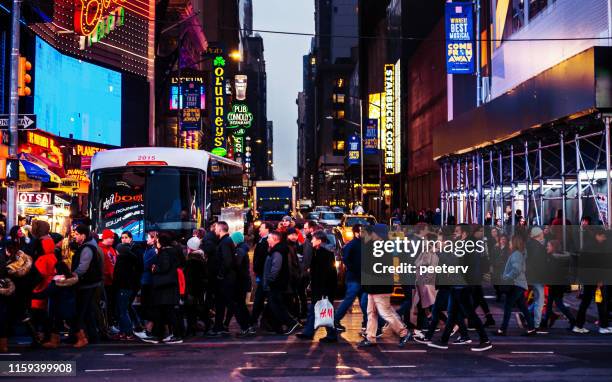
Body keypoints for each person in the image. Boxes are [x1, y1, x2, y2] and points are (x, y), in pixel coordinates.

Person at [359, 224, 411, 348]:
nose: (372, 234)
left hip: (380, 285)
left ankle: (404, 332)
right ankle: (370, 337)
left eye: (374, 232)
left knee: (385, 312)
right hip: (373, 285)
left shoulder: (383, 247)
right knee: (371, 312)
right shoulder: (376, 245)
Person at [296, 231, 338, 342]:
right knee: (316, 310)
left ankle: (331, 335)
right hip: (321, 288)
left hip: (322, 289)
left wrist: (325, 290)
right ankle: (309, 332)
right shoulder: (319, 252)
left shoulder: (324, 253)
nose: (311, 241)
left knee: (324, 310)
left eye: (313, 239)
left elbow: (327, 274)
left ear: (319, 241)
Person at [71, 224, 104, 348]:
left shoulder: (87, 248)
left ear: (83, 235)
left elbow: (83, 267)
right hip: (91, 283)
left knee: (81, 312)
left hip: (86, 284)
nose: (75, 237)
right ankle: (93, 336)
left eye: (77, 234)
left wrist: (73, 275)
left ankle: (82, 338)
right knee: (88, 311)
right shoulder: (90, 246)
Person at [574, 227, 611, 334]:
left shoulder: (590, 245)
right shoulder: (594, 247)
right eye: (603, 236)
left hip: (588, 278)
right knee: (596, 301)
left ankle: (581, 325)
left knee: (592, 301)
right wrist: (599, 280)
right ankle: (601, 326)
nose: (604, 238)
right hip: (592, 279)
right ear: (597, 236)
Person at [496, 234, 535, 336]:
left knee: (508, 306)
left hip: (516, 284)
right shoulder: (518, 254)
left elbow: (516, 270)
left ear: (514, 243)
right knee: (523, 307)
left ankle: (503, 329)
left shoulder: (516, 254)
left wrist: (506, 277)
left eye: (510, 242)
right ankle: (531, 328)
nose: (509, 243)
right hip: (519, 284)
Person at [263, 231, 301, 335]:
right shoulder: (277, 250)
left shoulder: (277, 252)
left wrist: (270, 280)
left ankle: (291, 322)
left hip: (276, 284)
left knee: (276, 306)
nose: (267, 239)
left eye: (269, 238)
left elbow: (275, 268)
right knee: (274, 306)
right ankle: (277, 327)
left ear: (275, 239)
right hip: (277, 283)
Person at [148, 231, 182, 344]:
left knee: (168, 312)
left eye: (157, 241)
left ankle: (175, 335)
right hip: (170, 286)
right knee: (168, 311)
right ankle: (168, 334)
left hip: (165, 287)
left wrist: (155, 268)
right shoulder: (173, 251)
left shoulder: (165, 253)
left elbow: (165, 267)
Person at [334, 224, 367, 332]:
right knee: (349, 301)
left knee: (364, 302)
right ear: (357, 233)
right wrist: (355, 269)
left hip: (361, 278)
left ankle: (367, 322)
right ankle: (335, 320)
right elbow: (346, 259)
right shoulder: (352, 245)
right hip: (354, 279)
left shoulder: (363, 244)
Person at [541, 239, 575, 329]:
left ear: (553, 247)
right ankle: (545, 321)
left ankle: (572, 320)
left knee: (558, 303)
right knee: (551, 303)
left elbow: (552, 272)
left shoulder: (553, 258)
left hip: (556, 284)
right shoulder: (562, 257)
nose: (546, 247)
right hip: (559, 283)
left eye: (548, 246)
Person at [112, 243, 142, 340]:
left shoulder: (122, 260)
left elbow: (118, 275)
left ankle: (128, 332)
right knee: (122, 310)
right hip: (128, 287)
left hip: (123, 287)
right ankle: (123, 332)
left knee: (123, 311)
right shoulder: (130, 259)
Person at [212, 221, 237, 335]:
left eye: (216, 228)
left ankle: (245, 325)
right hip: (225, 278)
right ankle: (218, 327)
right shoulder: (225, 241)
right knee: (221, 303)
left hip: (225, 279)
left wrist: (220, 275)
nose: (214, 230)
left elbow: (227, 261)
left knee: (227, 303)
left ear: (221, 229)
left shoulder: (225, 242)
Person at [250, 222, 274, 330]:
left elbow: (263, 259)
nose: (259, 229)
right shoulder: (261, 240)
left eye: (262, 227)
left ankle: (257, 320)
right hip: (261, 274)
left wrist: (258, 270)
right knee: (261, 298)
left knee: (262, 298)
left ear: (267, 230)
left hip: (265, 275)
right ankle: (260, 321)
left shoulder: (267, 241)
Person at [135, 232, 158, 340]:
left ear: (154, 239)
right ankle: (148, 329)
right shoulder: (149, 250)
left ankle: (148, 330)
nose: (146, 239)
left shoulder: (152, 251)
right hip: (146, 280)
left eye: (148, 238)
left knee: (147, 305)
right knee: (147, 305)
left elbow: (144, 265)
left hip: (148, 281)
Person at [183, 236, 208, 337]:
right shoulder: (201, 258)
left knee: (191, 310)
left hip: (191, 289)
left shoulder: (191, 261)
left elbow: (189, 277)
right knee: (199, 308)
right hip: (200, 288)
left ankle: (191, 328)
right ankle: (205, 325)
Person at [230, 231, 253, 337]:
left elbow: (236, 266)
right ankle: (249, 326)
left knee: (238, 306)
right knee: (241, 305)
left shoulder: (239, 251)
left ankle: (245, 327)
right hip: (243, 281)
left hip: (240, 282)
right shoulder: (242, 249)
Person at [526, 227, 549, 332]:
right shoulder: (538, 247)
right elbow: (539, 264)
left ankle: (527, 314)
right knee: (539, 301)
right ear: (539, 235)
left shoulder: (529, 244)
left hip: (531, 276)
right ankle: (536, 324)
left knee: (536, 300)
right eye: (542, 233)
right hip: (538, 277)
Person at [99, 229, 118, 331]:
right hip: (105, 281)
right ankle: (107, 325)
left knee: (111, 304)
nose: (112, 240)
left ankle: (110, 324)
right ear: (104, 238)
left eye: (112, 238)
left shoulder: (111, 249)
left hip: (112, 281)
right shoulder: (100, 249)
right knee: (106, 304)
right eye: (110, 237)